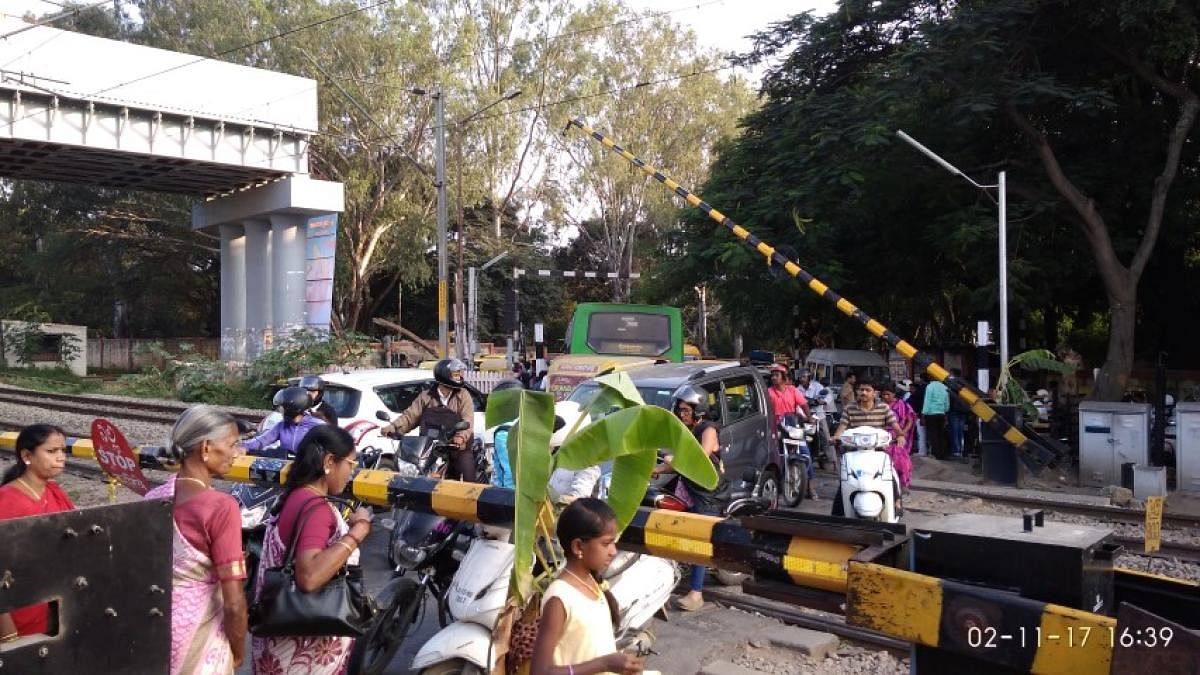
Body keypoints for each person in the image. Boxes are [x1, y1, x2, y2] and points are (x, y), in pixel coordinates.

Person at [251, 425, 372, 674]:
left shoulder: (294, 496)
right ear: (329, 461)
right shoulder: (316, 509)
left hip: (276, 646)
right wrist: (357, 533)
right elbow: (309, 576)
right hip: (304, 654)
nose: (352, 473)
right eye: (351, 463)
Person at [143, 407, 248, 674]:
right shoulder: (220, 507)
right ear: (205, 448)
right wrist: (237, 651)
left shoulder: (155, 498)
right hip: (200, 630)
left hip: (158, 624)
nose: (237, 453)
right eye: (232, 444)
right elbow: (233, 602)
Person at [530, 498, 643, 675]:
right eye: (606, 543)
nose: (614, 551)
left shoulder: (592, 582)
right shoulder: (559, 598)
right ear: (578, 547)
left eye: (614, 542)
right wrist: (604, 664)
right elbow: (539, 672)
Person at [0, 424, 73, 644]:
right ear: (26, 455)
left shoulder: (54, 492)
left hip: (54, 604)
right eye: (51, 452)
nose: (61, 458)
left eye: (63, 451)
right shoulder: (8, 500)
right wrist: (7, 630)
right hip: (19, 609)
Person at [654, 384, 723, 611]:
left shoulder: (708, 429)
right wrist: (656, 470)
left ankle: (696, 593)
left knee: (698, 542)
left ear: (698, 410)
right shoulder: (688, 431)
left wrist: (674, 459)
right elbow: (679, 467)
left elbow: (700, 458)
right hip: (688, 490)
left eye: (685, 410)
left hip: (706, 495)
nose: (681, 414)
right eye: (679, 410)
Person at [378, 358, 478, 482]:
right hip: (430, 449)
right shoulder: (426, 396)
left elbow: (468, 419)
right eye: (456, 374)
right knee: (414, 478)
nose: (460, 376)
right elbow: (410, 416)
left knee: (468, 479)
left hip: (456, 447)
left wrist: (460, 437)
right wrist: (392, 427)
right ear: (445, 375)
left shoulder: (463, 395)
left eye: (459, 373)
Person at [830, 377, 906, 516]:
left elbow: (895, 425)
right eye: (860, 390)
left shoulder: (883, 407)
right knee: (846, 479)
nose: (863, 393)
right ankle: (838, 514)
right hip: (854, 451)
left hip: (878, 450)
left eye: (867, 390)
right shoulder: (849, 408)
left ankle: (897, 503)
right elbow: (842, 426)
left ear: (874, 393)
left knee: (891, 474)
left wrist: (900, 435)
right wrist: (835, 437)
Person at [766, 364, 817, 500]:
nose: (773, 378)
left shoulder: (793, 390)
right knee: (776, 455)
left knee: (806, 454)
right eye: (772, 375)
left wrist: (810, 417)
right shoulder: (769, 392)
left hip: (793, 426)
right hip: (777, 427)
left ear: (784, 377)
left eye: (776, 375)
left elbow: (804, 405)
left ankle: (810, 487)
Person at [240, 386, 326, 459]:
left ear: (293, 407)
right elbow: (262, 440)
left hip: (311, 471)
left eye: (283, 407)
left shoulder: (318, 426)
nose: (282, 411)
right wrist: (243, 447)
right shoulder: (282, 425)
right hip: (289, 468)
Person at [880, 383, 915, 493]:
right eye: (883, 394)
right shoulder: (878, 406)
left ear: (893, 394)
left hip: (898, 437)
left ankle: (903, 484)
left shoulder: (903, 405)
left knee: (901, 462)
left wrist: (903, 432)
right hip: (882, 437)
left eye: (888, 394)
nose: (885, 397)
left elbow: (910, 420)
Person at [921, 375, 950, 460]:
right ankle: (942, 454)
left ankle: (935, 453)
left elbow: (927, 400)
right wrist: (945, 412)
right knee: (941, 434)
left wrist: (923, 414)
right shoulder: (944, 387)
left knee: (932, 434)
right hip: (941, 413)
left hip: (931, 413)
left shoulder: (930, 386)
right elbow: (947, 402)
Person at [947, 368, 970, 460]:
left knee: (955, 431)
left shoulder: (953, 384)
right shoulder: (965, 384)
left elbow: (951, 397)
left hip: (955, 411)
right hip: (963, 411)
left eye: (950, 373)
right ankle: (960, 449)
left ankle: (956, 451)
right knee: (960, 431)